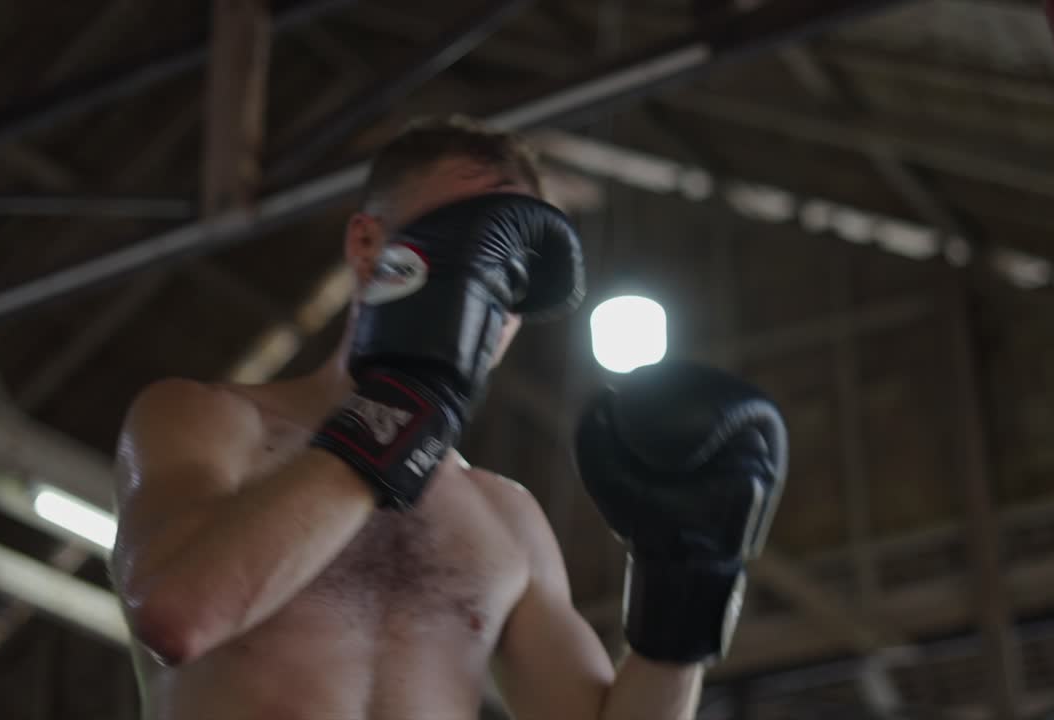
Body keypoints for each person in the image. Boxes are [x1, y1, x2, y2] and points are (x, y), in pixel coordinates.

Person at [109, 115, 786, 720]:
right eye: (464, 247)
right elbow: (177, 616)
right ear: (369, 248)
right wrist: (405, 403)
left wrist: (687, 588)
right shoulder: (209, 422)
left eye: (511, 272)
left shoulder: (506, 520)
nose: (488, 289)